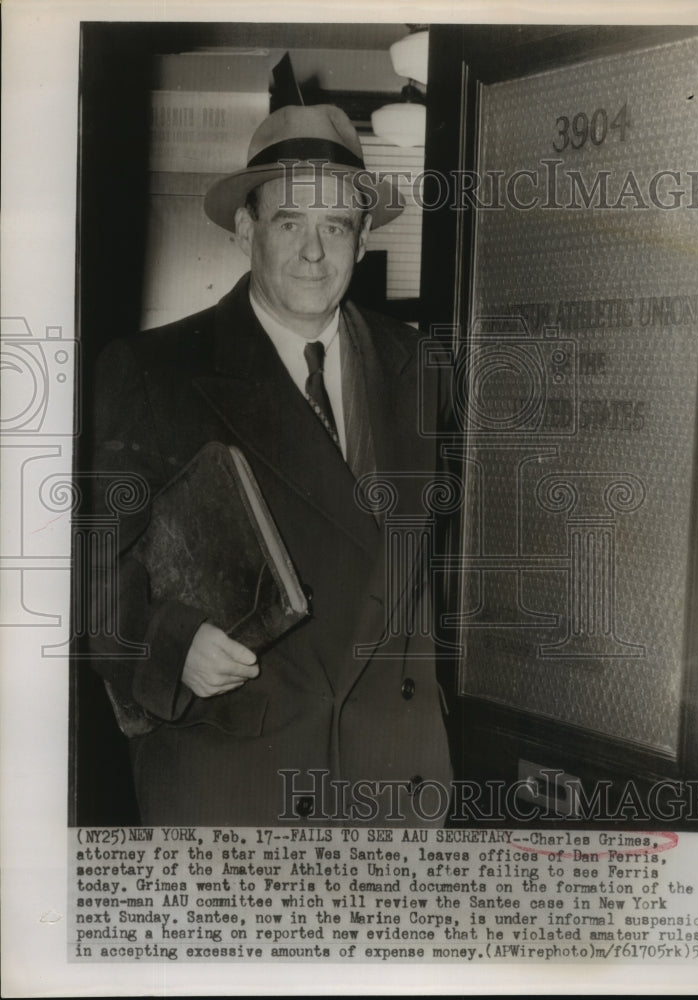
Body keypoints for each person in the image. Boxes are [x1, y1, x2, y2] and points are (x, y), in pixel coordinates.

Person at [88, 105, 453, 826]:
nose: (313, 253)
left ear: (364, 238)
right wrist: (170, 641)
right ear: (245, 230)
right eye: (290, 223)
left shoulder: (420, 366)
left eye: (336, 227)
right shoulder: (153, 370)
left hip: (396, 785)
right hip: (241, 786)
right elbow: (83, 568)